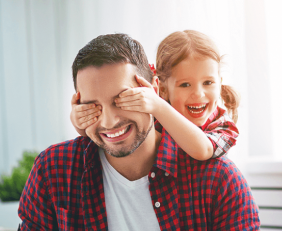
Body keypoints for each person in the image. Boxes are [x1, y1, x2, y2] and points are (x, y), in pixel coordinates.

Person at [9, 33, 276, 231]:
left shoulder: (217, 176)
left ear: (153, 90)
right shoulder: (55, 168)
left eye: (123, 99)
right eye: (94, 106)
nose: (109, 122)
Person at [70, 30, 239, 161]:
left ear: (220, 82)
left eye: (208, 83)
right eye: (185, 84)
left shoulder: (223, 126)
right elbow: (104, 130)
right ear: (163, 89)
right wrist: (79, 121)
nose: (198, 93)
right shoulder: (151, 112)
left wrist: (158, 105)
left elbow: (203, 151)